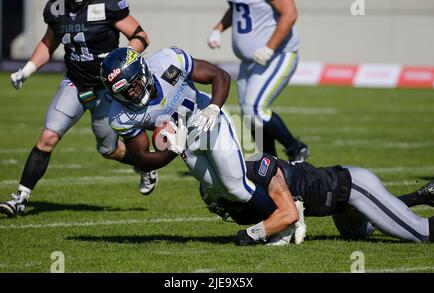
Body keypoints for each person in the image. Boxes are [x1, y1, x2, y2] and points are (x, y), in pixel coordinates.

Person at [0, 0, 156, 218]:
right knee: (48, 137)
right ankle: (20, 198)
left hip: (106, 88)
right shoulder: (56, 9)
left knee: (109, 150)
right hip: (75, 83)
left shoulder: (106, 5)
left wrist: (122, 62)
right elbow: (48, 43)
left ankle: (145, 165)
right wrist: (27, 70)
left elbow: (141, 37)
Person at [100, 46, 279, 225]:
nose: (130, 93)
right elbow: (142, 159)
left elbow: (219, 75)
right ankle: (276, 220)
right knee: (225, 194)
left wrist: (213, 107)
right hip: (186, 145)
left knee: (236, 187)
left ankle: (285, 220)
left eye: (133, 85)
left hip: (208, 122)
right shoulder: (120, 116)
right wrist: (171, 150)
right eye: (122, 91)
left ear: (143, 71)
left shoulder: (168, 62)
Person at [199, 153, 434, 245]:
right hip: (339, 207)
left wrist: (249, 235)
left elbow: (289, 214)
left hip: (353, 186)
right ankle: (421, 195)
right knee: (363, 232)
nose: (218, 207)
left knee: (420, 233)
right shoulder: (247, 184)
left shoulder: (260, 169)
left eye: (215, 199)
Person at [207, 0, 308, 161]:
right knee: (249, 117)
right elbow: (238, 9)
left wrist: (270, 47)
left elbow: (290, 14)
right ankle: (271, 163)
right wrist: (218, 28)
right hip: (250, 61)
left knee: (254, 109)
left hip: (277, 54)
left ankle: (295, 147)